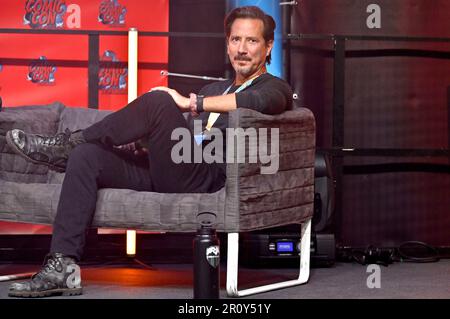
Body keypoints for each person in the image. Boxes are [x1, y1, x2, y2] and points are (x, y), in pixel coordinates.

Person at [5, 5, 293, 298]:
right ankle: (62, 267)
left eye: (252, 41)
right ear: (228, 43)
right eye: (236, 40)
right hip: (177, 169)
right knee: (87, 156)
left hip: (208, 178)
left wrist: (192, 103)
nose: (242, 49)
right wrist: (147, 142)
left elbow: (256, 102)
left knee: (159, 101)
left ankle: (67, 144)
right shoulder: (215, 88)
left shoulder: (276, 87)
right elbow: (191, 139)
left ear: (268, 46)